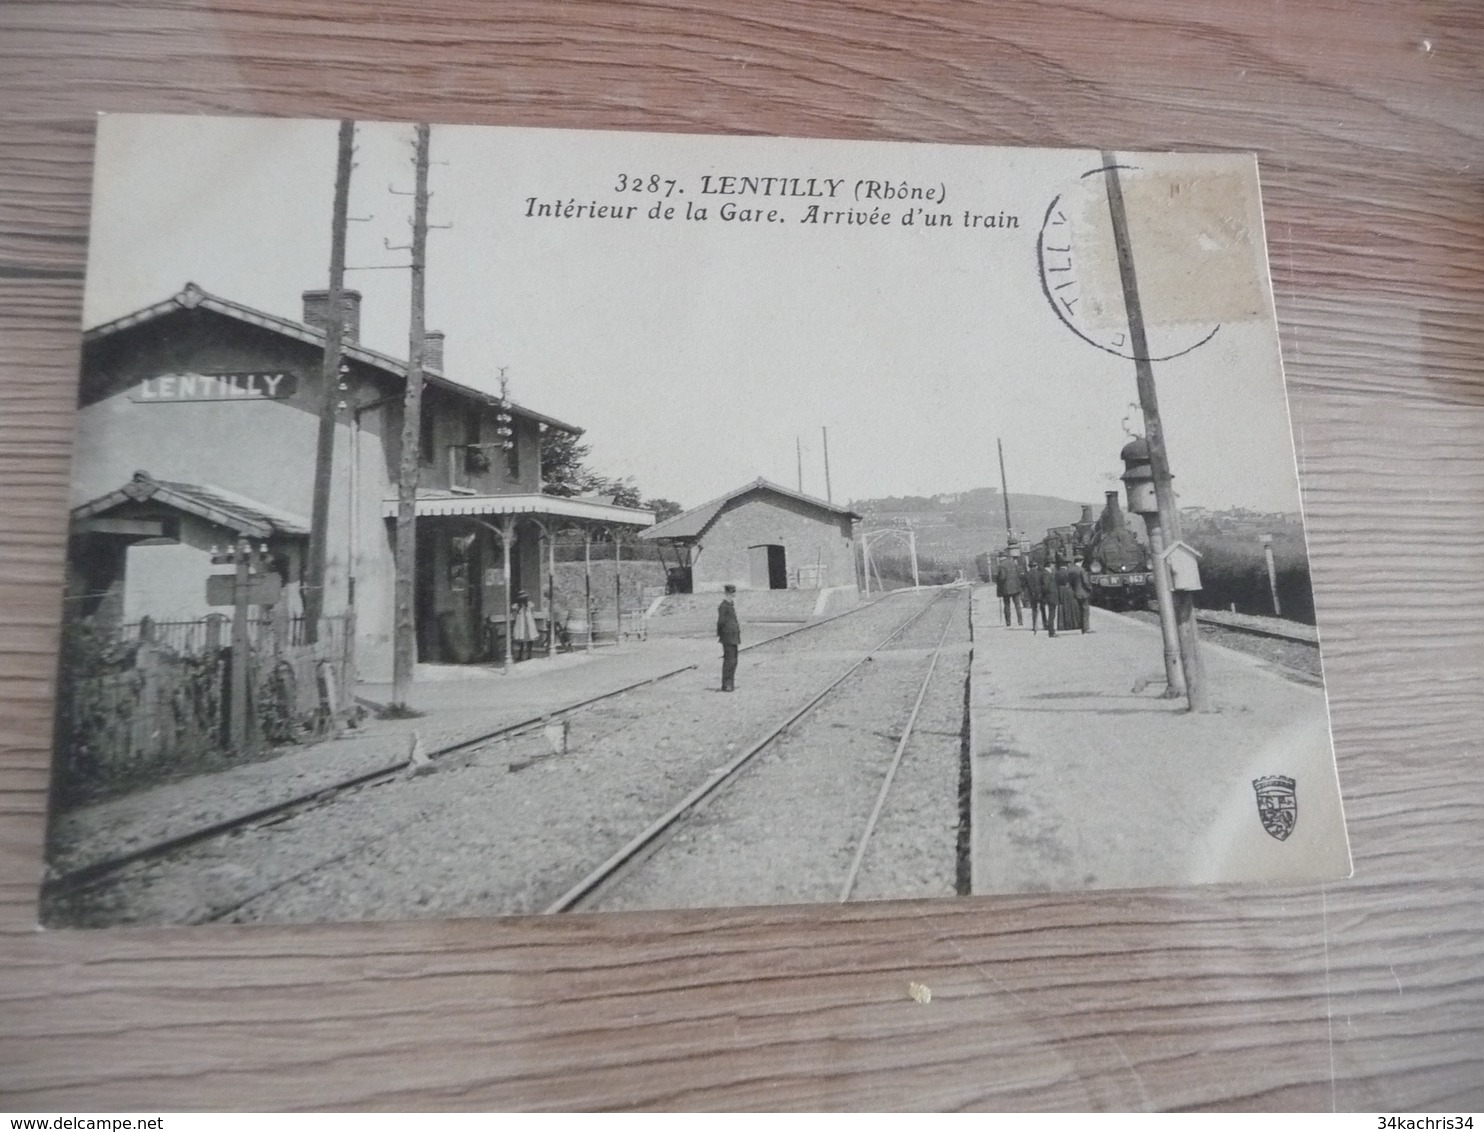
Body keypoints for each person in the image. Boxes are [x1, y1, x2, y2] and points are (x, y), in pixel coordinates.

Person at [717, 583, 740, 691]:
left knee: (734, 661)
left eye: (733, 593)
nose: (732, 595)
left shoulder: (730, 605)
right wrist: (723, 636)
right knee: (729, 661)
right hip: (728, 637)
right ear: (726, 594)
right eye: (730, 594)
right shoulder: (723, 606)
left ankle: (730, 682)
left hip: (734, 637)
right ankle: (726, 684)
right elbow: (720, 622)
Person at [996, 553, 1024, 627]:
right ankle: (1020, 621)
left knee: (1007, 605)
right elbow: (1018, 574)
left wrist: (998, 583)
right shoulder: (1013, 563)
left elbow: (1002, 577)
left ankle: (1008, 622)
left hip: (1006, 589)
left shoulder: (1001, 565)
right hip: (1016, 587)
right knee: (1017, 605)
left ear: (1000, 558)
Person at [1055, 558, 1082, 633]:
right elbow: (1074, 582)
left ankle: (1062, 625)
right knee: (1072, 607)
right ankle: (1073, 624)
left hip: (1060, 590)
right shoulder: (1069, 572)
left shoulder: (1057, 573)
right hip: (1069, 590)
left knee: (1062, 607)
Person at [512, 589, 539, 661]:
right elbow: (515, 614)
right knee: (521, 638)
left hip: (529, 622)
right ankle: (520, 655)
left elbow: (533, 613)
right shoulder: (517, 606)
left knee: (530, 637)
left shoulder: (529, 605)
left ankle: (529, 654)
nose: (523, 600)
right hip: (521, 623)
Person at [1067, 558, 1092, 633]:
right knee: (1085, 610)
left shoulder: (1070, 570)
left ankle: (1079, 626)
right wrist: (1089, 588)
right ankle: (1085, 628)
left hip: (1073, 592)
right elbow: (1085, 582)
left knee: (1077, 610)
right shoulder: (1081, 570)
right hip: (1082, 593)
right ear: (1081, 562)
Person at [1023, 554, 1043, 634]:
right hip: (1040, 594)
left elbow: (1023, 585)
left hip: (1031, 594)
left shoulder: (1026, 574)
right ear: (1036, 566)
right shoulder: (1040, 574)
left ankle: (1035, 626)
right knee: (1043, 609)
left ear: (1030, 566)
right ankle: (1045, 624)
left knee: (1034, 610)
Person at [1039, 560, 1059, 637]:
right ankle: (1051, 631)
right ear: (1050, 564)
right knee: (1051, 614)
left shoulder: (1046, 573)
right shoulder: (1046, 574)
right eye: (1053, 564)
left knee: (1052, 614)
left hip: (1050, 596)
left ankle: (1051, 630)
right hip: (1050, 596)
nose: (1054, 566)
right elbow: (1045, 586)